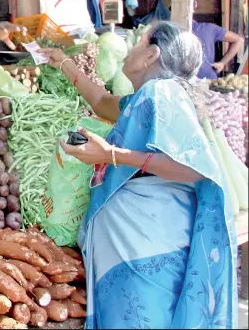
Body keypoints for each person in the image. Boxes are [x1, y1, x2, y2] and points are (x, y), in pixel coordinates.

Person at [39, 21, 237, 329]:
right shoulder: (148, 98)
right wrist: (64, 63)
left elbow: (192, 168)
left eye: (139, 43)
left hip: (148, 249)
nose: (129, 51)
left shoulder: (162, 92)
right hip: (139, 247)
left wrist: (110, 155)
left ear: (150, 55)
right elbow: (103, 103)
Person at [192, 4, 244, 79]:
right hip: (202, 79)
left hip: (207, 80)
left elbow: (238, 40)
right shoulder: (208, 28)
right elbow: (239, 40)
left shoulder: (208, 28)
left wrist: (222, 63)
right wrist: (222, 63)